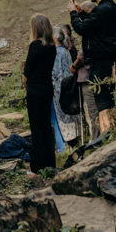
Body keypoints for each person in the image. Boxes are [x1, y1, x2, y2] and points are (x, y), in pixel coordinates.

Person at [68, 0, 116, 137]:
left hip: (101, 63)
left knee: (103, 103)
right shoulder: (110, 8)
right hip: (111, 61)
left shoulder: (102, 10)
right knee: (109, 100)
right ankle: (113, 133)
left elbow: (81, 29)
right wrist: (81, 13)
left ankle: (108, 136)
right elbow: (96, 25)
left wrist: (72, 13)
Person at [22, 14, 57, 173]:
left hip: (35, 90)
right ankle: (50, 162)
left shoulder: (35, 45)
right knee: (46, 126)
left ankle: (38, 165)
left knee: (36, 128)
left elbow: (27, 71)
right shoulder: (52, 46)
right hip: (47, 88)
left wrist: (25, 83)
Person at [70, 1, 100, 142]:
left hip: (87, 77)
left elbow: (82, 55)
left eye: (82, 12)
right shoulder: (98, 28)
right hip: (93, 75)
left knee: (92, 111)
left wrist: (74, 66)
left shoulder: (90, 31)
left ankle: (95, 139)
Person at [52, 27, 79, 147]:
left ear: (55, 38)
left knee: (63, 115)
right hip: (69, 85)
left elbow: (55, 73)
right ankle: (76, 138)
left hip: (60, 88)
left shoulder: (57, 52)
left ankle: (68, 142)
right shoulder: (66, 50)